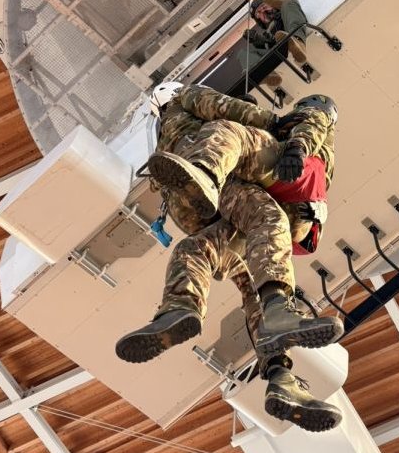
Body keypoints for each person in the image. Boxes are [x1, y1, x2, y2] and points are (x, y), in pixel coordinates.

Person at [116, 83, 343, 431]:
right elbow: (224, 108)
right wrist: (266, 119)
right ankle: (280, 374)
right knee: (248, 254)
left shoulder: (163, 139)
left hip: (212, 201)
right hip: (277, 207)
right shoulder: (187, 98)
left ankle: (180, 306)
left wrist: (281, 133)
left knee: (200, 245)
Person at [238, 0, 310, 86]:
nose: (263, 11)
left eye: (264, 6)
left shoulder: (285, 10)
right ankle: (264, 74)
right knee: (243, 52)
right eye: (258, 13)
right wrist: (257, 40)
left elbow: (287, 2)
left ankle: (299, 43)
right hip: (278, 49)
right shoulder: (267, 32)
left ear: (271, 4)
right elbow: (270, 44)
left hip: (292, 36)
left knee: (287, 4)